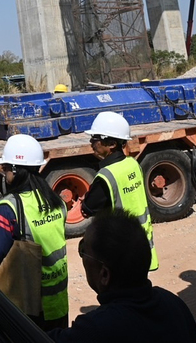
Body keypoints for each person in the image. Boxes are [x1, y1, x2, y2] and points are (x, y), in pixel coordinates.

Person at [48, 210, 196, 343]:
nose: (81, 256)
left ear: (104, 274)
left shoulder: (95, 329)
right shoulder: (175, 305)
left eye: (83, 250)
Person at [0, 134, 69, 330]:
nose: (4, 173)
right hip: (58, 304)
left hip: (30, 306)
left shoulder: (10, 206)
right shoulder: (56, 201)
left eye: (5, 168)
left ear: (15, 170)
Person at [80, 112, 158, 271]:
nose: (91, 143)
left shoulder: (107, 175)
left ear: (111, 144)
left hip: (121, 250)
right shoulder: (132, 164)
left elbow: (87, 209)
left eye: (96, 139)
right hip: (141, 244)